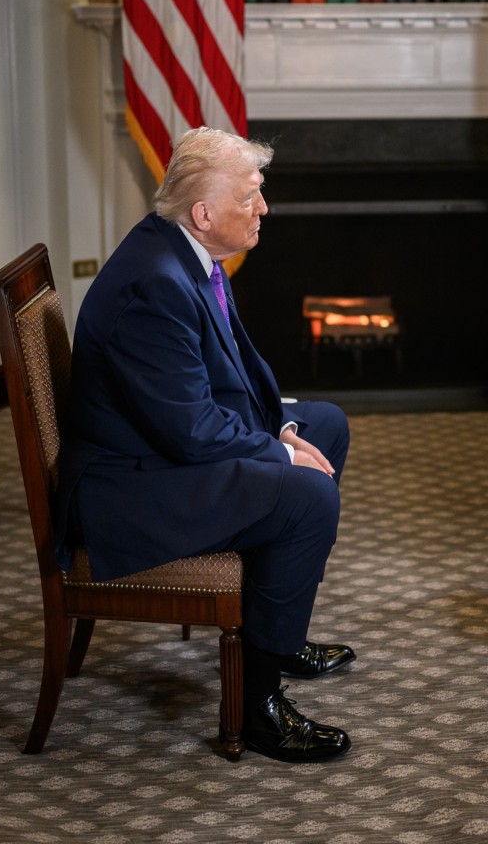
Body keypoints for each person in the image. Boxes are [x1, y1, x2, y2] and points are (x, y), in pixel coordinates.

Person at [57, 127, 355, 763]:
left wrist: (282, 433)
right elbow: (190, 430)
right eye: (252, 197)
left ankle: (277, 628)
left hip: (157, 447)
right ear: (204, 213)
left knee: (325, 424)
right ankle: (259, 702)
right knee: (307, 496)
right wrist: (278, 453)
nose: (263, 208)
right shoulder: (156, 286)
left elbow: (211, 390)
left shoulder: (181, 250)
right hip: (129, 489)